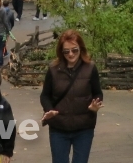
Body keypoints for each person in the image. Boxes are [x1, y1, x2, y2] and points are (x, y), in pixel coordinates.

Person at [40, 30, 103, 163]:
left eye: (74, 50)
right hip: (59, 128)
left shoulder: (90, 68)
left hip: (84, 127)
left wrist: (95, 106)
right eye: (66, 51)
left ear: (81, 48)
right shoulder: (53, 70)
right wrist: (48, 109)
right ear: (61, 52)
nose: (71, 54)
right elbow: (45, 95)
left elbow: (98, 93)